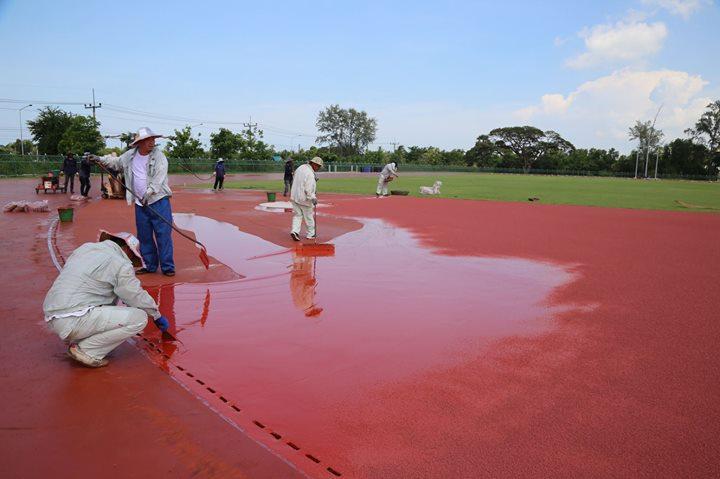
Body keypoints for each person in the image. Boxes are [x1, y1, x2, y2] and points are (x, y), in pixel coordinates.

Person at [43, 231, 170, 368]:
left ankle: (80, 339)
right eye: (132, 256)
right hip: (74, 318)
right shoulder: (120, 263)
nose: (131, 259)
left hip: (54, 314)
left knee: (100, 301)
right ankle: (87, 351)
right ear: (127, 249)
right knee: (139, 318)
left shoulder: (85, 249)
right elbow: (134, 295)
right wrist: (156, 314)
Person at [93, 127, 175, 276]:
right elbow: (116, 162)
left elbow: (159, 177)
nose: (152, 142)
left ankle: (168, 267)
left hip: (158, 201)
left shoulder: (159, 156)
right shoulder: (130, 155)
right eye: (148, 140)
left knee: (163, 235)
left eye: (153, 139)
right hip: (140, 204)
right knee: (144, 236)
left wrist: (148, 193)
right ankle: (149, 265)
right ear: (140, 142)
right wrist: (99, 159)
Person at [290, 156, 323, 241]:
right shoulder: (310, 174)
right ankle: (311, 234)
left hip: (294, 196)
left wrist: (313, 180)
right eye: (318, 166)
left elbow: (296, 177)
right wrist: (313, 198)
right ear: (314, 164)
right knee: (308, 217)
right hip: (304, 199)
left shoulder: (301, 167)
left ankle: (295, 231)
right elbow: (308, 189)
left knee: (297, 215)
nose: (318, 168)